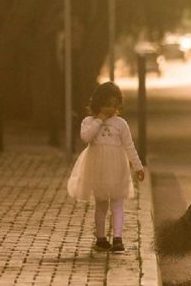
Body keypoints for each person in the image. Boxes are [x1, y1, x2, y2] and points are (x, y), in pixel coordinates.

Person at [67, 81, 145, 253]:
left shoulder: (121, 124)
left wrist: (138, 166)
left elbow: (129, 145)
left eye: (114, 105)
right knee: (101, 203)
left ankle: (118, 238)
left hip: (117, 166)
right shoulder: (89, 121)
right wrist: (99, 121)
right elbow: (86, 137)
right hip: (97, 168)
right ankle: (101, 239)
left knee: (118, 202)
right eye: (107, 105)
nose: (111, 109)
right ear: (98, 103)